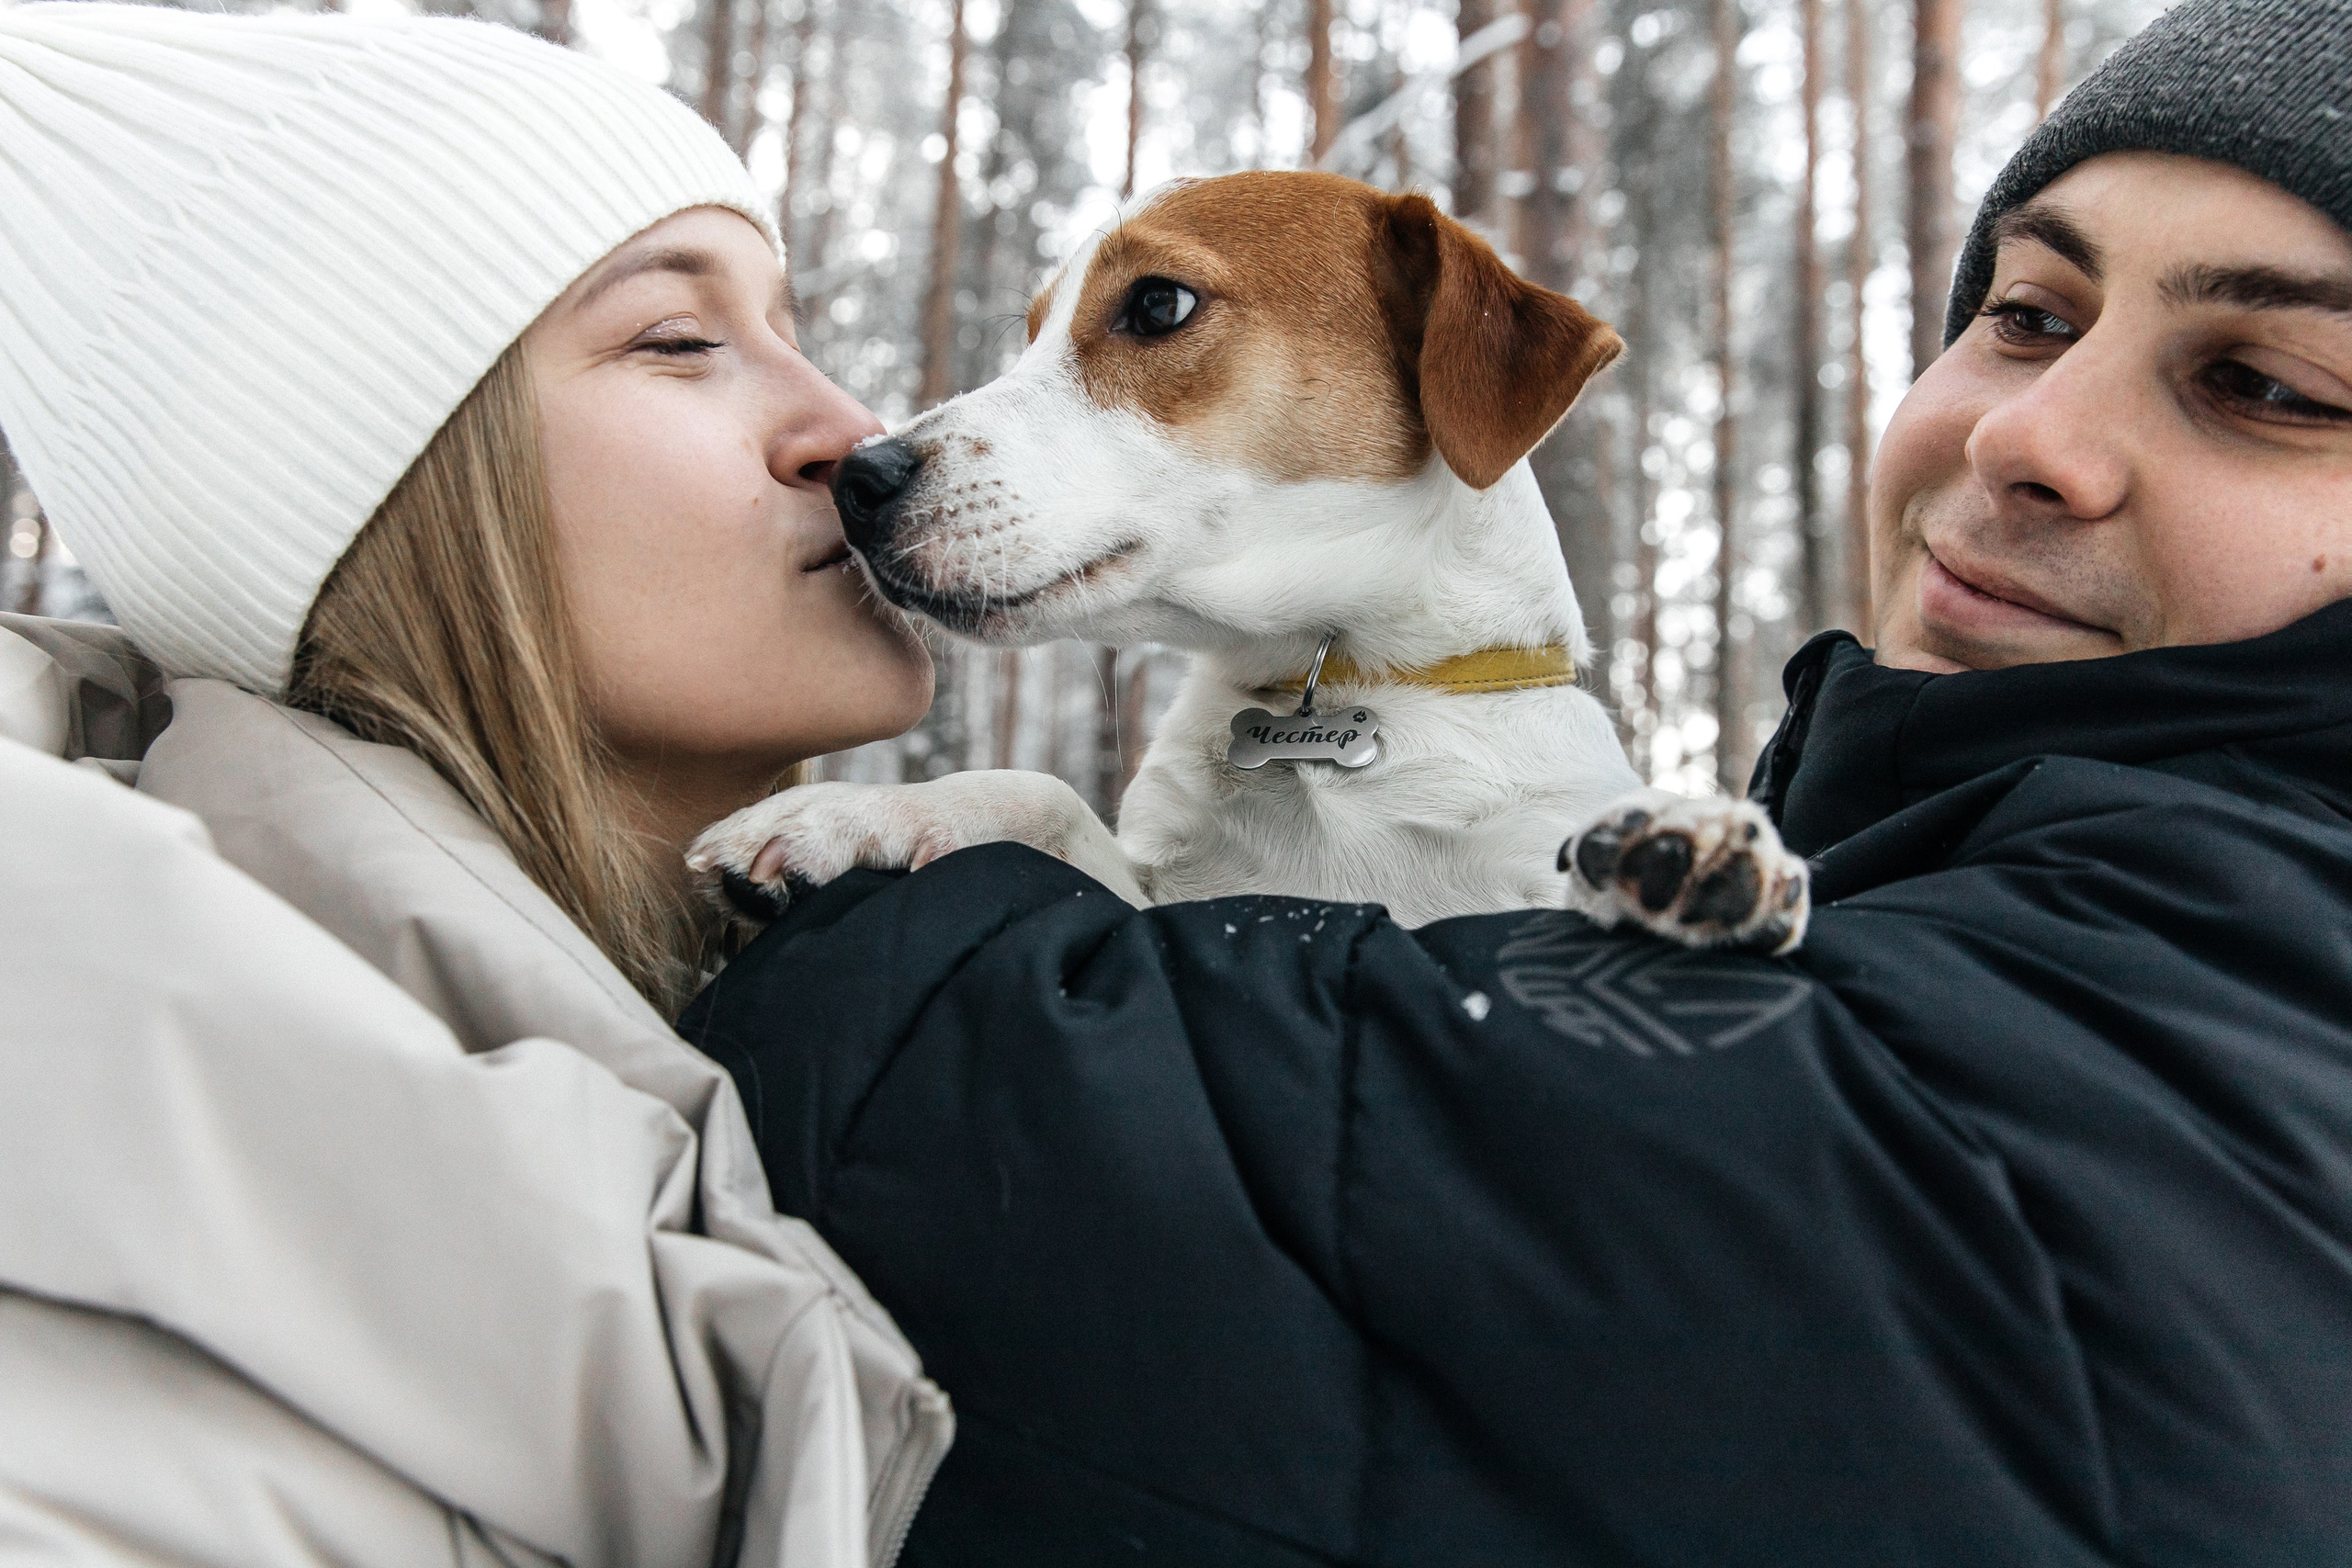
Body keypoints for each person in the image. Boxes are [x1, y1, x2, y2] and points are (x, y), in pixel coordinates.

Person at [678, 1, 2352, 1562]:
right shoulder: (1918, 860)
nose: (2026, 439)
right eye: (2028, 315)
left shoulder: (2215, 1013)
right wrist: (1025, 828)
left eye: (2267, 387)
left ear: (1463, 363)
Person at [0, 6, 950, 1561]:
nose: (850, 430)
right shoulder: (81, 1443)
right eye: (677, 341)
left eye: (791, 324)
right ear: (385, 502)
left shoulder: (870, 1092)